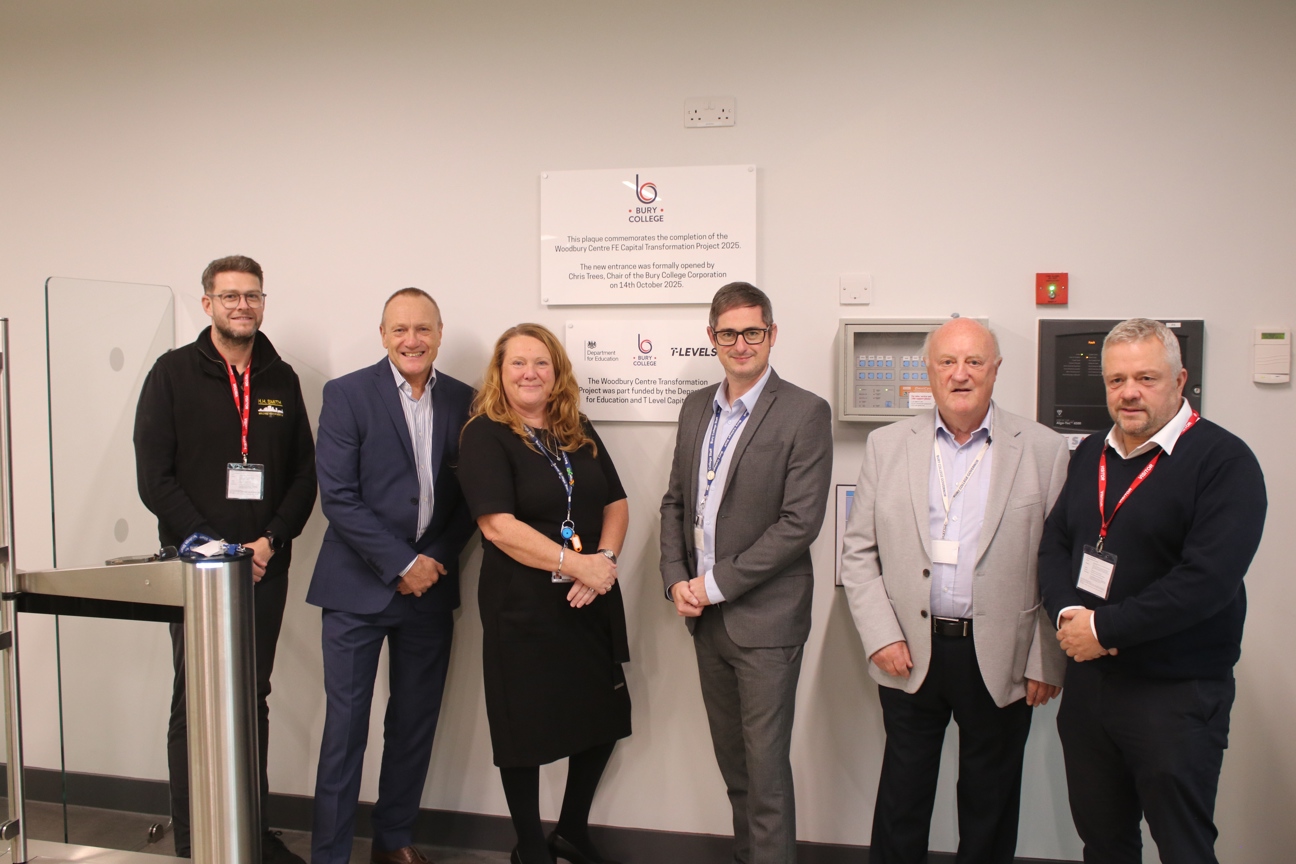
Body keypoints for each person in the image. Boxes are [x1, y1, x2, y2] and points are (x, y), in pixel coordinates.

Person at [838, 317, 1069, 864]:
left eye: (973, 362)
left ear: (995, 370)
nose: (960, 374)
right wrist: (879, 636)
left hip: (1002, 653)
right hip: (908, 650)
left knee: (990, 803)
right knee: (903, 795)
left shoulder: (1043, 448)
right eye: (947, 362)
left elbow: (1058, 564)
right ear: (929, 370)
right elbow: (859, 552)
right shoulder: (887, 445)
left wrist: (1046, 658)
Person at [1039, 318, 1267, 864]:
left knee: (1183, 846)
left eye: (1146, 377)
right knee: (1103, 841)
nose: (1130, 392)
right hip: (1091, 689)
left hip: (1175, 693)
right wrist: (1071, 612)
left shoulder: (1224, 462)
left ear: (1180, 378)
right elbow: (1054, 545)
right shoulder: (1090, 452)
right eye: (1117, 380)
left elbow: (1205, 582)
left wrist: (1104, 629)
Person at [133, 255, 316, 863]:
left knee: (251, 696)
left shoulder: (281, 378)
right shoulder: (172, 374)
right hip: (196, 569)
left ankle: (250, 828)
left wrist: (268, 543)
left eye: (253, 296)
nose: (243, 306)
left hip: (264, 566)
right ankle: (193, 840)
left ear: (263, 303)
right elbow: (154, 478)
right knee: (195, 699)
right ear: (207, 302)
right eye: (230, 296)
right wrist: (214, 546)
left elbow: (303, 476)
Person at [658, 282, 833, 864]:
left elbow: (798, 523)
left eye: (752, 332)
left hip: (766, 622)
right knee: (735, 768)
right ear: (712, 338)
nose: (740, 344)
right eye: (728, 333)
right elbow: (676, 504)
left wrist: (711, 585)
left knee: (766, 777)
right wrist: (676, 580)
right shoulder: (694, 408)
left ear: (771, 335)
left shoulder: (805, 412)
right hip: (705, 619)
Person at [308, 288, 476, 864]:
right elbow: (339, 497)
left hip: (429, 591)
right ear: (383, 334)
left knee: (413, 724)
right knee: (345, 730)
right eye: (400, 329)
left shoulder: (465, 401)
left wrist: (430, 564)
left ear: (439, 332)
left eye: (423, 329)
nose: (412, 340)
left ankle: (394, 840)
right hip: (357, 588)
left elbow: (470, 501)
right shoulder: (347, 395)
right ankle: (329, 854)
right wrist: (401, 564)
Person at [456, 323, 631, 864]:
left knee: (601, 718)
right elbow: (497, 526)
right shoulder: (484, 433)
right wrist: (578, 563)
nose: (530, 373)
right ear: (500, 373)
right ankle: (530, 846)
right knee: (524, 726)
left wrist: (601, 562)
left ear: (557, 373)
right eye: (517, 364)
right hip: (522, 604)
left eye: (541, 363)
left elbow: (617, 504)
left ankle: (571, 831)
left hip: (589, 596)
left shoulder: (577, 428)